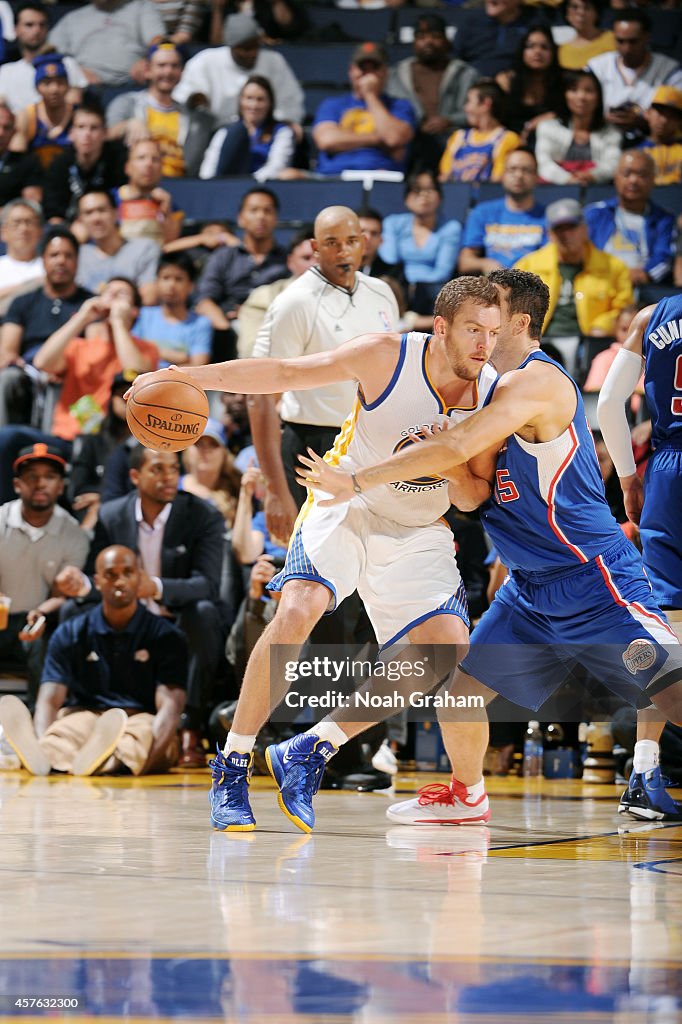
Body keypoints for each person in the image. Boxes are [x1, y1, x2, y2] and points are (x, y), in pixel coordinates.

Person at [298, 268, 682, 828]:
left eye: (492, 312)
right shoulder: (488, 390)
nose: (482, 323)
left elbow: (459, 445)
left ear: (519, 323)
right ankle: (466, 794)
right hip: (530, 586)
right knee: (460, 692)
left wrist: (358, 480)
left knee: (668, 691)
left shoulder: (535, 383)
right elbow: (482, 497)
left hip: (591, 578)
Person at [125, 275, 501, 831]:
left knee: (445, 650)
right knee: (299, 607)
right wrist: (187, 376)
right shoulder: (386, 356)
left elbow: (472, 496)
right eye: (473, 329)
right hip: (344, 497)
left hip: (418, 528)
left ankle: (311, 748)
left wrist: (446, 456)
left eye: (493, 333)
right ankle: (232, 763)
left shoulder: (494, 392)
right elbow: (284, 372)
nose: (483, 345)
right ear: (440, 326)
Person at [58, 446, 228, 768]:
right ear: (135, 475)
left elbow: (208, 584)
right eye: (158, 470)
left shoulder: (202, 514)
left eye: (174, 470)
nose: (169, 478)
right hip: (124, 614)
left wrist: (157, 587)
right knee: (70, 613)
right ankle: (75, 713)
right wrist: (78, 584)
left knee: (205, 613)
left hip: (173, 618)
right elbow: (100, 575)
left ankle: (189, 725)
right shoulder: (111, 515)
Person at [245, 205, 398, 544]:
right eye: (332, 243)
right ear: (314, 248)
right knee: (320, 575)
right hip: (314, 446)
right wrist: (275, 491)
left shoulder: (382, 293)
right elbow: (258, 396)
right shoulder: (294, 303)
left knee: (371, 569)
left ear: (365, 243)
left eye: (352, 241)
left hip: (373, 443)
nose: (344, 251)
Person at [598, 293, 682, 821]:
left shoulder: (655, 316)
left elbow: (608, 405)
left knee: (665, 625)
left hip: (668, 474)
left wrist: (629, 476)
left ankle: (644, 771)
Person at [0, 545, 187, 777]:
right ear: (97, 582)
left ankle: (101, 762)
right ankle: (44, 754)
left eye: (127, 573)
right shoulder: (71, 632)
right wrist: (43, 736)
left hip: (138, 717)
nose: (119, 581)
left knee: (139, 737)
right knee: (62, 734)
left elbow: (170, 710)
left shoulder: (166, 636)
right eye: (111, 574)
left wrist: (149, 760)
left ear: (139, 578)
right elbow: (49, 701)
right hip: (85, 716)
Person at [0, 443, 88, 701]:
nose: (40, 484)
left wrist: (42, 612)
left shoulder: (73, 534)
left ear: (61, 487)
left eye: (49, 477)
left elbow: (64, 592)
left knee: (47, 644)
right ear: (17, 484)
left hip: (37, 619)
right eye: (32, 477)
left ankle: (38, 725)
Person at [33, 276, 158, 442]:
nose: (112, 297)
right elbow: (42, 362)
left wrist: (119, 323)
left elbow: (136, 373)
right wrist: (82, 317)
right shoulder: (78, 346)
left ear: (134, 310)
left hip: (114, 440)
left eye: (121, 294)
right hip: (69, 436)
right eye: (108, 292)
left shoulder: (146, 349)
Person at [515, 197, 634, 371]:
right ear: (550, 234)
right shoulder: (528, 266)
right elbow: (512, 306)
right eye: (559, 229)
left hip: (590, 342)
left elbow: (624, 308)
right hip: (540, 341)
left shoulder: (614, 267)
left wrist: (602, 325)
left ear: (585, 230)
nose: (566, 235)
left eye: (571, 227)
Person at [0, 228, 92, 429]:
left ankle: (56, 449)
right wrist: (14, 361)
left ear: (77, 261)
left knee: (62, 382)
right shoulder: (23, 302)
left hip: (71, 370)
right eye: (54, 255)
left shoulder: (89, 304)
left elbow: (95, 350)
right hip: (27, 370)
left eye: (68, 255)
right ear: (43, 260)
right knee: (7, 378)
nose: (61, 261)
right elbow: (7, 349)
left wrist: (62, 366)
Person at [173, 12, 304, 127]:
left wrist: (280, 125)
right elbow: (183, 96)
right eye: (245, 48)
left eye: (255, 47)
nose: (251, 53)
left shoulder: (274, 61)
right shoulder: (206, 60)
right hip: (215, 131)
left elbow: (291, 102)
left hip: (264, 134)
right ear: (231, 46)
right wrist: (196, 100)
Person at [106, 40, 214, 178]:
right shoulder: (127, 103)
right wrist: (128, 124)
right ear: (148, 70)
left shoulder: (191, 116)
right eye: (161, 65)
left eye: (174, 66)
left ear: (181, 72)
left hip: (181, 185)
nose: (168, 71)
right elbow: (105, 135)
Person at [386, 13, 478, 171]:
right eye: (421, 37)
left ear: (446, 41)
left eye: (435, 36)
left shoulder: (465, 73)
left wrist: (448, 120)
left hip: (454, 142)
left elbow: (477, 112)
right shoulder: (395, 75)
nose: (428, 42)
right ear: (414, 42)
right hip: (409, 144)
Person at [312, 41, 417, 178]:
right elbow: (327, 140)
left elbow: (393, 138)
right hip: (334, 175)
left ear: (385, 72)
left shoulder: (400, 105)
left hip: (382, 175)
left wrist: (370, 96)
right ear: (351, 71)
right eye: (362, 67)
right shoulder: (332, 105)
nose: (367, 74)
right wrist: (379, 139)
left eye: (374, 67)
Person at [194, 186, 287, 335]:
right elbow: (204, 302)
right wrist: (227, 332)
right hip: (228, 327)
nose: (260, 216)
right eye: (253, 210)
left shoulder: (288, 260)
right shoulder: (222, 257)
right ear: (240, 218)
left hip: (273, 329)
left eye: (267, 211)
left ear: (276, 218)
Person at [584, 150, 676, 286]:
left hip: (643, 288)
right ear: (616, 178)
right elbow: (582, 251)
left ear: (653, 179)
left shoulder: (664, 219)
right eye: (627, 174)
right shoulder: (594, 213)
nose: (633, 180)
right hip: (599, 283)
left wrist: (646, 274)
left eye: (641, 174)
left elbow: (664, 257)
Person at [378, 169, 461, 316]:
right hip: (398, 288)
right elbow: (389, 261)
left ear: (440, 197)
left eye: (430, 189)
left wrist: (415, 286)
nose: (423, 195)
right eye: (417, 190)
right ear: (406, 198)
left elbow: (442, 271)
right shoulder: (392, 223)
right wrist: (407, 286)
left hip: (432, 292)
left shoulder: (451, 227)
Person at [588, 9, 682, 136]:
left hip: (652, 143)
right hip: (603, 139)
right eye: (620, 41)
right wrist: (601, 118)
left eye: (633, 42)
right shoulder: (597, 66)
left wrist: (643, 121)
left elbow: (676, 118)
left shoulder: (670, 71)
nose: (626, 49)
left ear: (647, 37)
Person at [458, 147, 546, 275]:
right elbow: (465, 262)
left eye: (526, 170)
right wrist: (485, 263)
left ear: (536, 176)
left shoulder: (547, 217)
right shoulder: (482, 213)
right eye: (512, 169)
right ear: (503, 175)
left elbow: (553, 259)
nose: (519, 175)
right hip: (492, 286)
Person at [42, 100, 128, 223]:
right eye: (81, 127)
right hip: (72, 227)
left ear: (104, 134)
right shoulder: (59, 164)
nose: (87, 134)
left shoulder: (118, 159)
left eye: (94, 128)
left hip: (111, 224)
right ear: (71, 134)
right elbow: (53, 213)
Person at [237, 226, 316, 359]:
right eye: (306, 258)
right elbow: (250, 352)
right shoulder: (263, 298)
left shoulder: (348, 296)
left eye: (320, 258)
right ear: (290, 262)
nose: (314, 265)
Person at [49, 0, 166, 89]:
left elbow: (158, 40)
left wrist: (148, 59)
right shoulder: (72, 19)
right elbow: (48, 52)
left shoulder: (141, 7)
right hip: (85, 89)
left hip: (134, 84)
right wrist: (75, 72)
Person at [198, 74, 295, 182]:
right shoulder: (226, 131)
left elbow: (276, 167)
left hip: (260, 186)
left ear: (270, 103)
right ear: (240, 101)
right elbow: (209, 167)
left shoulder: (281, 132)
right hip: (224, 185)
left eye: (260, 99)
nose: (254, 105)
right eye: (249, 98)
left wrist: (248, 181)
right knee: (238, 131)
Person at [535, 69, 622, 186]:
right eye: (573, 90)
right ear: (564, 96)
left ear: (598, 98)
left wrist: (592, 175)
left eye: (589, 91)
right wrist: (569, 180)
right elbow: (543, 164)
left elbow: (613, 165)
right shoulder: (547, 128)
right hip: (554, 190)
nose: (581, 97)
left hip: (597, 190)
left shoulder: (612, 132)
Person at [75, 188, 161, 304]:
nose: (96, 218)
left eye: (102, 210)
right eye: (88, 213)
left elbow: (148, 300)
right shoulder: (76, 256)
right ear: (80, 220)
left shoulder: (144, 249)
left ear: (116, 213)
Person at [0, 1, 88, 113]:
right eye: (29, 25)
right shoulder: (6, 72)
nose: (37, 30)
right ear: (16, 29)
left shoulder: (67, 63)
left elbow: (75, 100)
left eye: (42, 25)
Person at [133, 251, 212, 368]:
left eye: (179, 279)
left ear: (191, 286)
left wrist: (151, 350)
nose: (171, 285)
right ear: (157, 282)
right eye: (165, 278)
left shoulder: (201, 323)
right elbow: (132, 353)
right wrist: (181, 357)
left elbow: (198, 366)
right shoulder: (144, 315)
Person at [438, 80, 521, 184]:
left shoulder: (508, 139)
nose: (465, 108)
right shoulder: (458, 137)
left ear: (486, 103)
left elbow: (498, 181)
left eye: (469, 101)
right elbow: (444, 176)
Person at [496, 26, 565, 144]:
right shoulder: (506, 81)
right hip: (509, 143)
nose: (537, 52)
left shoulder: (564, 81)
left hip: (550, 142)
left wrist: (547, 118)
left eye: (544, 47)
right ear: (522, 51)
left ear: (553, 52)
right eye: (530, 46)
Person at [452, 0, 548, 79]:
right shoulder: (471, 22)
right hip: (474, 86)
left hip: (518, 86)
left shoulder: (535, 23)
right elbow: (455, 59)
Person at [115, 138, 184, 247]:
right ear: (127, 167)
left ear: (161, 168)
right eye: (141, 158)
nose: (149, 164)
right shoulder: (111, 199)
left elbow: (171, 241)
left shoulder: (171, 206)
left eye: (155, 159)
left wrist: (166, 209)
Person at [11, 54, 76, 170]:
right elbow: (16, 159)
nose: (54, 89)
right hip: (36, 178)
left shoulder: (78, 115)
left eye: (60, 82)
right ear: (37, 88)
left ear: (68, 86)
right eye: (47, 83)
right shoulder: (28, 116)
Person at [0, 198, 44, 316]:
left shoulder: (50, 265)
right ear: (3, 232)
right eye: (16, 223)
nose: (23, 228)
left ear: (40, 231)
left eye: (29, 222)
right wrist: (34, 285)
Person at [0, 100, 43, 212]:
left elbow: (31, 206)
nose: (1, 133)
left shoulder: (28, 163)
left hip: (10, 225)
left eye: (6, 127)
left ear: (14, 132)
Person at [638, 85, 682, 186]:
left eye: (671, 116)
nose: (664, 120)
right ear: (647, 113)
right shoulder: (635, 151)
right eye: (660, 113)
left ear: (680, 121)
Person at [558, 0, 615, 72]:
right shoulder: (562, 50)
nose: (581, 12)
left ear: (596, 13)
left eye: (587, 8)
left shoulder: (614, 39)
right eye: (574, 7)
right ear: (567, 14)